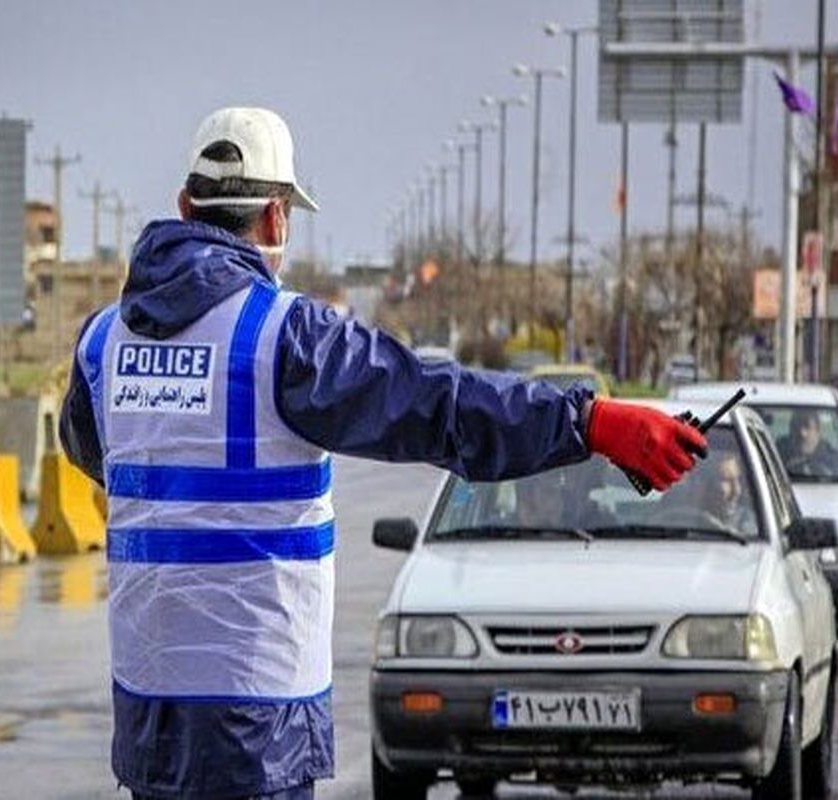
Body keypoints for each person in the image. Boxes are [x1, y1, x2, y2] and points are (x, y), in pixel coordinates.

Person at [59, 107, 708, 800]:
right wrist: (588, 421)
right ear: (277, 220)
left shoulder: (102, 341)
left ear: (186, 205)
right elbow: (437, 405)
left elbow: (96, 452)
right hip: (254, 706)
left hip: (146, 703)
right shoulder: (284, 336)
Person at [776, 408, 838, 475]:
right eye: (797, 427)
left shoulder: (831, 458)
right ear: (791, 429)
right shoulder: (778, 453)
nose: (802, 434)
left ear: (818, 432)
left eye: (807, 428)